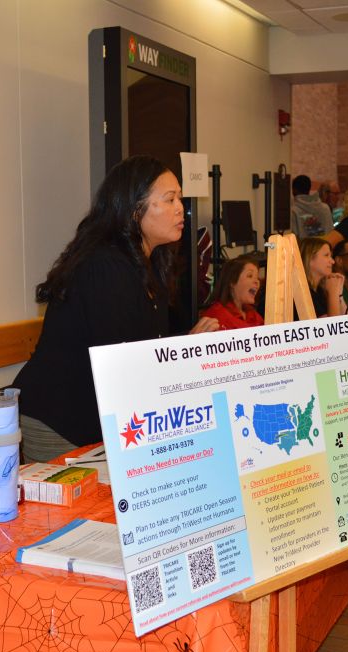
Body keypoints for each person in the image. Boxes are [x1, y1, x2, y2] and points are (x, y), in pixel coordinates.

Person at [12, 156, 218, 462]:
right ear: (135, 210)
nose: (181, 208)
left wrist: (187, 345)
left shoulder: (150, 263)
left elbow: (144, 344)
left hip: (94, 420)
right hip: (60, 420)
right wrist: (184, 349)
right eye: (170, 199)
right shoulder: (104, 265)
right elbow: (123, 358)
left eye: (180, 198)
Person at [200, 255, 263, 330]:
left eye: (257, 277)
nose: (257, 281)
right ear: (232, 281)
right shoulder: (215, 316)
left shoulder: (255, 316)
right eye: (250, 276)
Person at [299, 236, 346, 318]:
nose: (332, 261)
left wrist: (339, 292)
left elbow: (346, 318)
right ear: (310, 259)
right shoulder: (304, 294)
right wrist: (333, 293)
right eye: (326, 255)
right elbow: (332, 327)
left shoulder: (320, 291)